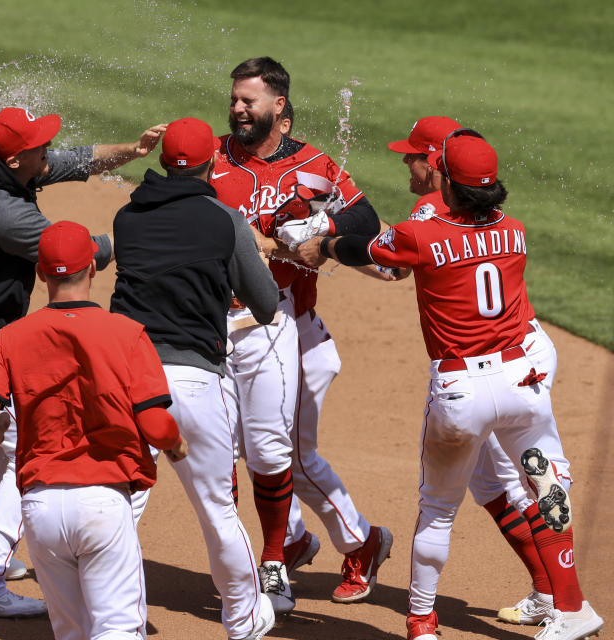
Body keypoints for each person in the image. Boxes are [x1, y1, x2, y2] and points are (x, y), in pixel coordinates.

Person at [312, 129, 603, 640]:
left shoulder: (422, 236)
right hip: (521, 380)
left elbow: (371, 250)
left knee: (438, 510)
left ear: (445, 178)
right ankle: (571, 606)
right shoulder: (515, 230)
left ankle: (422, 620)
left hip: (462, 392)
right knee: (549, 491)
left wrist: (327, 242)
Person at [0, 106, 165, 617]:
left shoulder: (3, 165)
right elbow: (79, 255)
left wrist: (131, 151)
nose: (51, 149)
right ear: (17, 156)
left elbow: (74, 160)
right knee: (25, 442)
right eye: (40, 145)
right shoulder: (6, 212)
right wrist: (161, 238)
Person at [211, 56, 391, 610]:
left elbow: (366, 220)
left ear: (278, 107)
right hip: (237, 328)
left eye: (250, 101)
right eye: (235, 99)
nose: (239, 109)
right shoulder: (215, 159)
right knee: (251, 446)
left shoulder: (313, 164)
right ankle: (288, 539)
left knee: (285, 451)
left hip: (297, 332)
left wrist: (324, 227)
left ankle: (361, 541)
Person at [386, 116, 572, 626]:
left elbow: (394, 263)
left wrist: (328, 236)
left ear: (438, 164)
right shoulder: (496, 216)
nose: (407, 162)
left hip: (501, 358)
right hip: (519, 354)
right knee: (490, 485)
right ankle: (549, 591)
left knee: (512, 484)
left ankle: (560, 602)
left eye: (415, 155)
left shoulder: (430, 213)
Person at [0, 220, 187, 640]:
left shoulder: (9, 338)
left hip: (41, 509)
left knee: (72, 632)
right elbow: (156, 425)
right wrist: (175, 444)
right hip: (103, 503)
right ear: (94, 269)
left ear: (41, 274)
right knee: (117, 628)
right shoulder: (128, 333)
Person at [111, 117, 279, 640]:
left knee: (121, 506)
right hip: (195, 380)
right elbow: (268, 306)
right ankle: (244, 618)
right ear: (212, 162)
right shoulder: (224, 220)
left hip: (129, 379)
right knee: (215, 506)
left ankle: (116, 620)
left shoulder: (126, 219)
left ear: (164, 162)